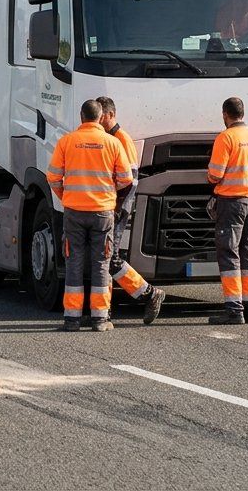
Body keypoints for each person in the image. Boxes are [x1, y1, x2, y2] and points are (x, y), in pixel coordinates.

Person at [47, 99, 134, 332]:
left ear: (81, 117)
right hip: (103, 212)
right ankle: (99, 319)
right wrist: (109, 192)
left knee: (73, 262)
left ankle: (72, 319)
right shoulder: (113, 143)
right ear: (99, 117)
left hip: (74, 211)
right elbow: (126, 178)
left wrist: (65, 195)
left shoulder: (67, 141)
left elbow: (53, 176)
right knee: (101, 263)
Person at [94, 96, 167, 324]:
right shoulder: (109, 138)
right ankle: (104, 310)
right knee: (104, 258)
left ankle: (149, 293)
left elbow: (130, 181)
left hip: (115, 208)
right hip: (109, 207)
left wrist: (116, 208)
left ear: (110, 115)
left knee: (111, 258)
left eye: (101, 116)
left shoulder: (121, 139)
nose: (98, 120)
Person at [207, 96, 248, 325]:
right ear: (243, 113)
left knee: (229, 253)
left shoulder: (226, 138)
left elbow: (215, 174)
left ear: (225, 114)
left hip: (231, 202)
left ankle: (234, 310)